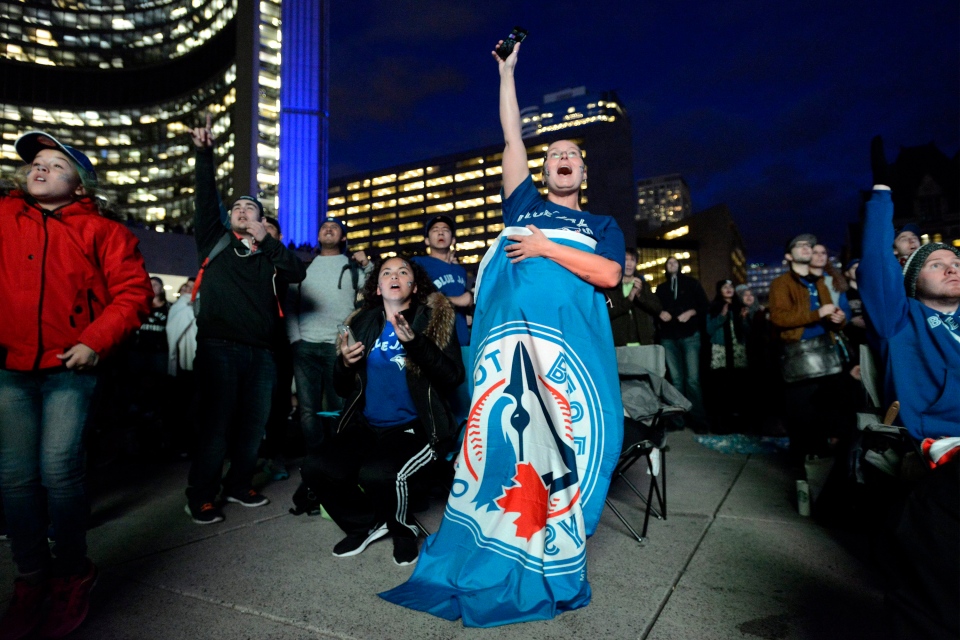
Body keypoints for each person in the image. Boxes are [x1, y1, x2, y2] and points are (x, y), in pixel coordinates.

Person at [381, 37, 625, 626]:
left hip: (571, 361)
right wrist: (507, 73)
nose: (562, 157)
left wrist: (546, 249)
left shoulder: (600, 223)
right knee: (507, 450)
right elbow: (512, 136)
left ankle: (556, 538)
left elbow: (610, 275)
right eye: (554, 154)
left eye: (573, 154)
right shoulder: (524, 208)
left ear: (584, 171)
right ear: (544, 171)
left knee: (578, 450)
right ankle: (502, 534)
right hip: (515, 353)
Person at [0, 131, 152, 638]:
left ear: (79, 184)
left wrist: (94, 340)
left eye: (55, 165)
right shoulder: (3, 217)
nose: (40, 169)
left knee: (58, 470)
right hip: (9, 367)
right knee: (15, 477)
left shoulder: (105, 231)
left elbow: (132, 294)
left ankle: (69, 573)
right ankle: (31, 578)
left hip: (70, 366)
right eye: (35, 163)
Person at [184, 117, 306, 525]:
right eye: (236, 207)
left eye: (249, 207)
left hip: (262, 353)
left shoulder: (271, 255)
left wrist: (267, 239)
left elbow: (296, 272)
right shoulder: (215, 240)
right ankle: (201, 495)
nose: (240, 210)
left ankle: (239, 485)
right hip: (219, 348)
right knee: (216, 427)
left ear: (260, 219)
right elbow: (205, 196)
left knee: (253, 427)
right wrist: (204, 154)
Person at [862, 136, 959, 640]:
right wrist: (881, 193)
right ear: (912, 279)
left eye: (957, 263)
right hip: (941, 442)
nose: (951, 267)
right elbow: (877, 263)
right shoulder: (901, 320)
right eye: (937, 264)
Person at [307, 256, 463, 566]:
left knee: (379, 472)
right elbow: (341, 387)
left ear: (413, 286)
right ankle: (365, 524)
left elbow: (452, 376)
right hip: (366, 426)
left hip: (413, 426)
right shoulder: (362, 322)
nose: (394, 275)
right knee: (316, 465)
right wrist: (345, 363)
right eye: (386, 272)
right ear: (378, 288)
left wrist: (415, 342)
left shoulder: (430, 320)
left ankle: (402, 530)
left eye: (403, 271)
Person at [287, 218, 372, 457]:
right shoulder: (303, 267)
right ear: (318, 236)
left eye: (335, 228)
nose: (328, 229)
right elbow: (290, 304)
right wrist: (295, 339)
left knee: (338, 407)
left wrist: (367, 263)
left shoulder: (353, 267)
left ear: (343, 238)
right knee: (307, 410)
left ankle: (337, 459)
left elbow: (375, 287)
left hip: (338, 348)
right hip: (305, 346)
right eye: (324, 226)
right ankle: (316, 459)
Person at [768, 233, 846, 469]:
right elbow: (779, 318)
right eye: (800, 245)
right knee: (801, 419)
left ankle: (821, 472)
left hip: (826, 355)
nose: (807, 247)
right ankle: (802, 476)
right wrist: (817, 314)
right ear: (789, 256)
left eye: (809, 245)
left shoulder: (820, 281)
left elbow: (829, 316)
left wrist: (838, 319)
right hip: (799, 356)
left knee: (826, 418)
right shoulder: (781, 283)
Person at [654, 256, 708, 425]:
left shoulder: (692, 283)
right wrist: (661, 314)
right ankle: (678, 420)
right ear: (665, 267)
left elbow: (704, 305)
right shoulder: (661, 288)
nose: (672, 264)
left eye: (675, 262)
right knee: (676, 380)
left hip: (690, 335)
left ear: (680, 265)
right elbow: (655, 308)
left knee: (692, 379)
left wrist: (691, 312)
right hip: (669, 337)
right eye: (669, 262)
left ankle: (698, 419)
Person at [411, 215, 472, 347]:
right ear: (427, 240)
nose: (440, 232)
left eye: (446, 229)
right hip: (434, 341)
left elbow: (468, 301)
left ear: (453, 240)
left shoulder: (460, 270)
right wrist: (458, 300)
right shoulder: (418, 263)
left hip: (462, 340)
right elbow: (417, 299)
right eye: (435, 230)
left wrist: (469, 301)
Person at [704, 280, 749, 433]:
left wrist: (743, 319)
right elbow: (709, 330)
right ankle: (721, 424)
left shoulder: (740, 306)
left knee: (739, 389)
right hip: (721, 352)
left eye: (731, 287)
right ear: (719, 290)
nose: (729, 289)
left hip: (738, 352)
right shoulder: (713, 307)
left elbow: (747, 331)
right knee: (720, 389)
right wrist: (722, 316)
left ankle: (739, 424)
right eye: (725, 287)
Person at [605, 247, 662, 346]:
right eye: (626, 260)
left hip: (642, 342)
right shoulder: (612, 287)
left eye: (632, 260)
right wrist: (629, 299)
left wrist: (640, 296)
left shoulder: (643, 286)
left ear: (636, 263)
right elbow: (607, 313)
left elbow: (657, 308)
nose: (629, 264)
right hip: (618, 343)